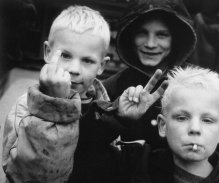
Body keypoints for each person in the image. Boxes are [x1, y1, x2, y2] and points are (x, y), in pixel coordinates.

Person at [2, 5, 167, 183]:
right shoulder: (27, 107)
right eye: (65, 55)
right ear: (48, 53)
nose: (74, 69)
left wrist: (118, 118)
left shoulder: (103, 104)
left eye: (87, 60)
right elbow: (30, 176)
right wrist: (54, 104)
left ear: (102, 66)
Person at [103, 0, 219, 171]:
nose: (150, 44)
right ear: (129, 36)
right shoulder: (112, 88)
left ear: (175, 39)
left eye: (162, 35)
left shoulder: (203, 85)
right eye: (142, 33)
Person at [117, 66, 219, 183]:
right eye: (182, 118)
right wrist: (120, 119)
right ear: (163, 125)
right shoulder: (137, 164)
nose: (195, 129)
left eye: (207, 120)